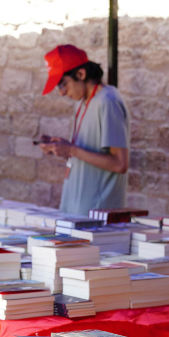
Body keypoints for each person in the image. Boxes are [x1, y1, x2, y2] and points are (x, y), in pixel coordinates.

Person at [37, 45, 130, 215]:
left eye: (63, 84)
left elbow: (120, 163)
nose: (62, 93)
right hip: (74, 214)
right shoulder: (83, 101)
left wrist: (72, 149)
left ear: (81, 74)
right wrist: (61, 148)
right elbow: (86, 153)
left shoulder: (108, 101)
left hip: (97, 221)